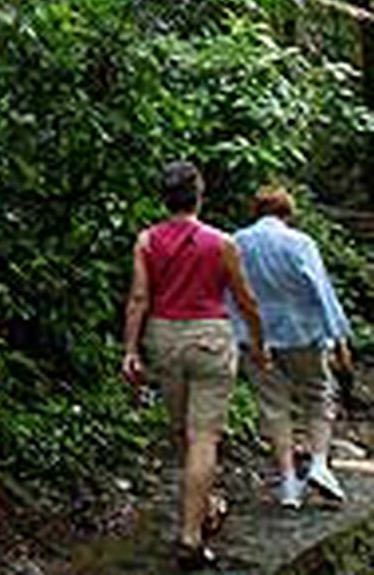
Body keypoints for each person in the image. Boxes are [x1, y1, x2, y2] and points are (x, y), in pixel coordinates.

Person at [122, 161, 268, 571]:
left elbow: (139, 298)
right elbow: (246, 299)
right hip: (210, 339)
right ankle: (190, 536)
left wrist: (130, 349)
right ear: (199, 196)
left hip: (164, 338)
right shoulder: (221, 242)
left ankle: (205, 507)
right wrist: (260, 344)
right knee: (204, 437)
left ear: (163, 198)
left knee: (183, 434)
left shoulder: (146, 241)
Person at [231, 185, 353, 509]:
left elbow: (230, 292)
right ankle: (319, 465)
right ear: (288, 213)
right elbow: (322, 291)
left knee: (273, 406)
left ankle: (288, 483)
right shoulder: (300, 243)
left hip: (255, 337)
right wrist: (339, 337)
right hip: (302, 332)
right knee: (317, 395)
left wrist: (236, 332)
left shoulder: (236, 242)